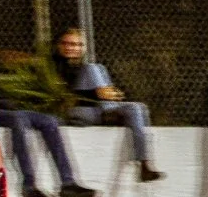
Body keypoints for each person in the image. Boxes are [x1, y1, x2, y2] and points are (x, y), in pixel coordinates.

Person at [53, 27, 162, 182]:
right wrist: (102, 94)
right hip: (74, 113)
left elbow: (95, 93)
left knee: (138, 108)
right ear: (59, 45)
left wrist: (104, 94)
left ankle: (145, 163)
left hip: (95, 110)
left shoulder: (83, 68)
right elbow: (63, 98)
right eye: (68, 44)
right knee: (92, 68)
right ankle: (109, 109)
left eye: (78, 45)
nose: (73, 48)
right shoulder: (52, 66)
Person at [0, 46, 95, 197]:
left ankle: (67, 183)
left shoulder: (11, 70)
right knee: (19, 120)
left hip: (17, 108)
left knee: (50, 121)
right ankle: (29, 186)